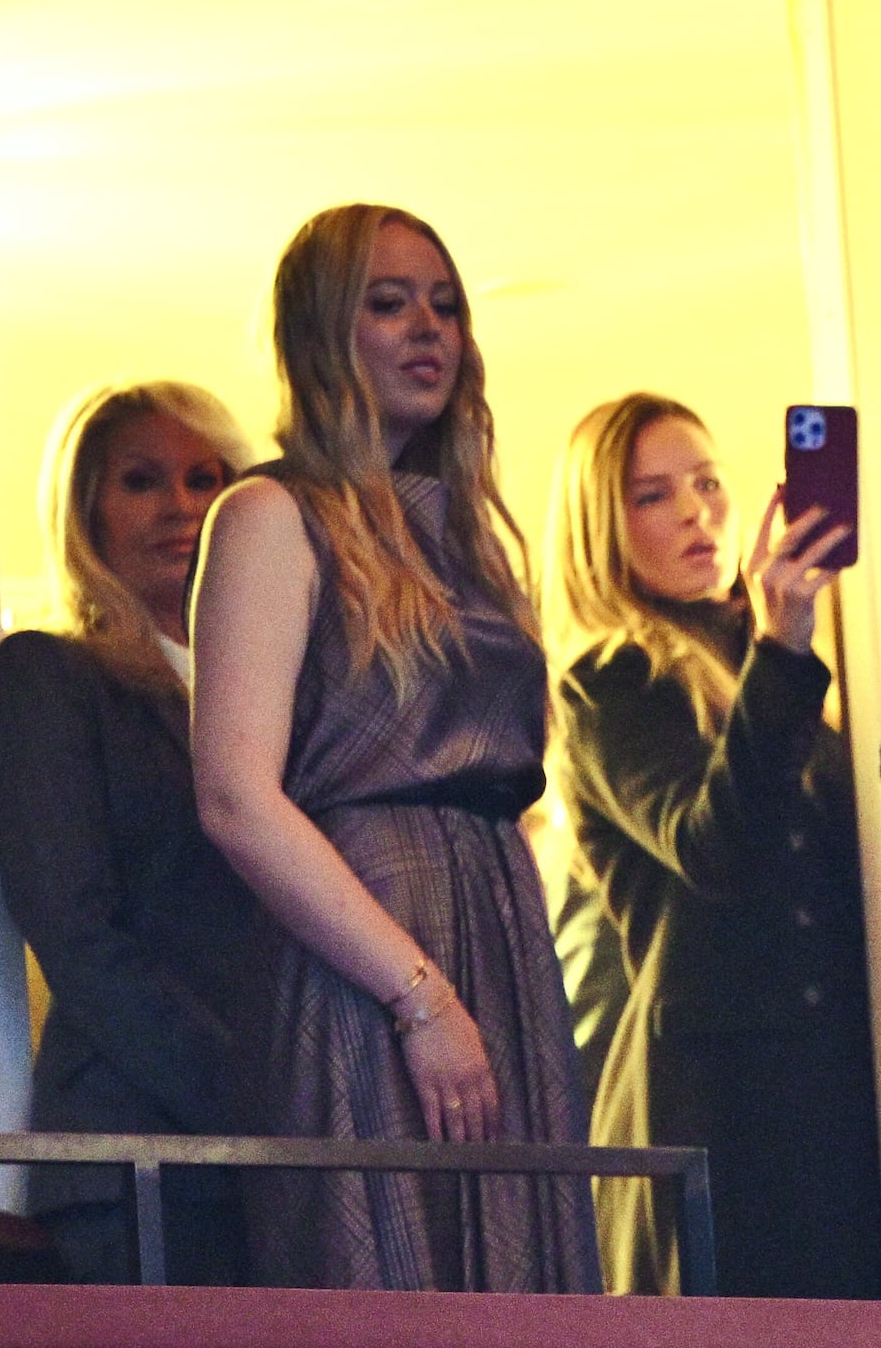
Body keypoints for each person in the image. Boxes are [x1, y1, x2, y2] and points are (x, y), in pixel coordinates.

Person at [191, 203, 599, 1292]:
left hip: (497, 927)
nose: (429, 329)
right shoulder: (270, 514)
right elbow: (235, 798)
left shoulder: (462, 533)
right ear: (324, 330)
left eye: (446, 306)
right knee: (391, 1291)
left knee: (521, 1303)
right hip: (367, 951)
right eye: (388, 303)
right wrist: (418, 994)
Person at [547, 392, 881, 1298]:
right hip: (725, 1106)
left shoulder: (770, 663)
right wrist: (783, 647)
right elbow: (717, 849)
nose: (697, 512)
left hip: (834, 1082)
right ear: (601, 526)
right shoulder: (611, 681)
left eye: (707, 482)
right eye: (653, 495)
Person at [0, 379, 264, 1284]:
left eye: (205, 479)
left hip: (282, 1162)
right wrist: (253, 1094)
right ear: (85, 511)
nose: (181, 505)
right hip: (138, 1151)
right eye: (142, 480)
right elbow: (75, 934)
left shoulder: (282, 703)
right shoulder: (50, 678)